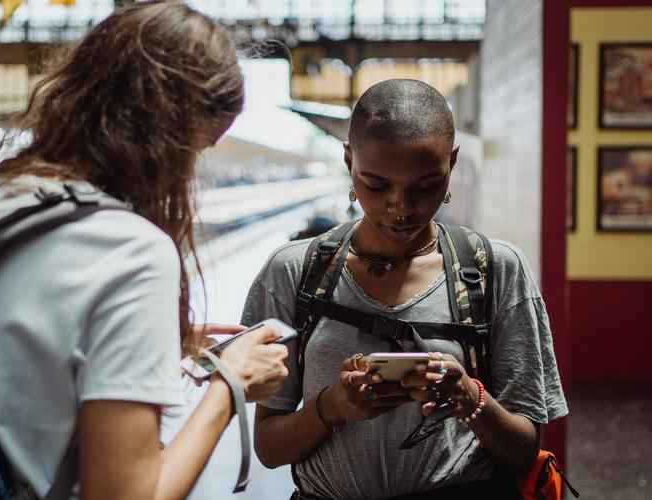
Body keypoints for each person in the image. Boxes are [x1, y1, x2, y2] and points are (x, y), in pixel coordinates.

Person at [0, 3, 288, 499]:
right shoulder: (130, 253)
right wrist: (229, 386)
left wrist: (154, 343)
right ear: (167, 139)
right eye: (195, 152)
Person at [243, 79, 568, 499]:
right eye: (376, 185)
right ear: (348, 159)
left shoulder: (496, 270)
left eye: (425, 186)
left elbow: (525, 449)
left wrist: (469, 397)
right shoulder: (293, 272)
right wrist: (332, 407)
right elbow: (269, 448)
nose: (401, 207)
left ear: (451, 164)